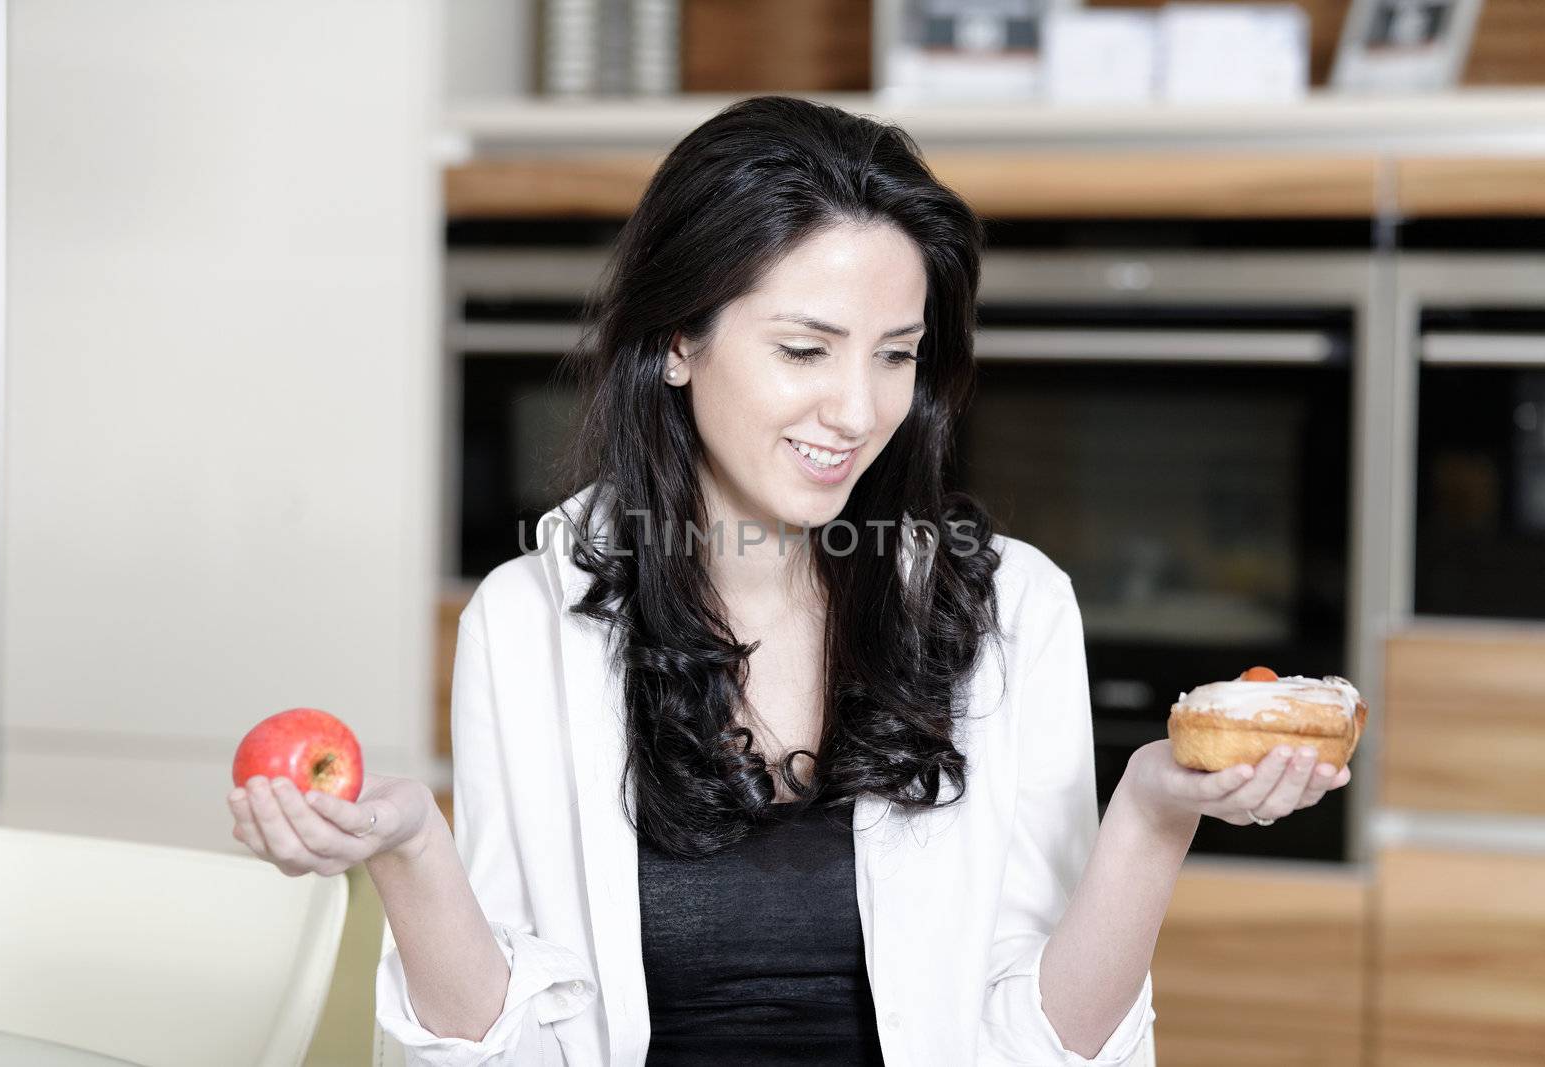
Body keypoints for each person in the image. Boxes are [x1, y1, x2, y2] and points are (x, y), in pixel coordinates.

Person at [225, 95, 1352, 1066]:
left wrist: (1153, 811)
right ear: (678, 341)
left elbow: (1039, 1045)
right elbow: (514, 1047)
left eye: (896, 353)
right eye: (805, 350)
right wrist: (414, 847)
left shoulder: (1013, 609)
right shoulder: (530, 623)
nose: (858, 411)